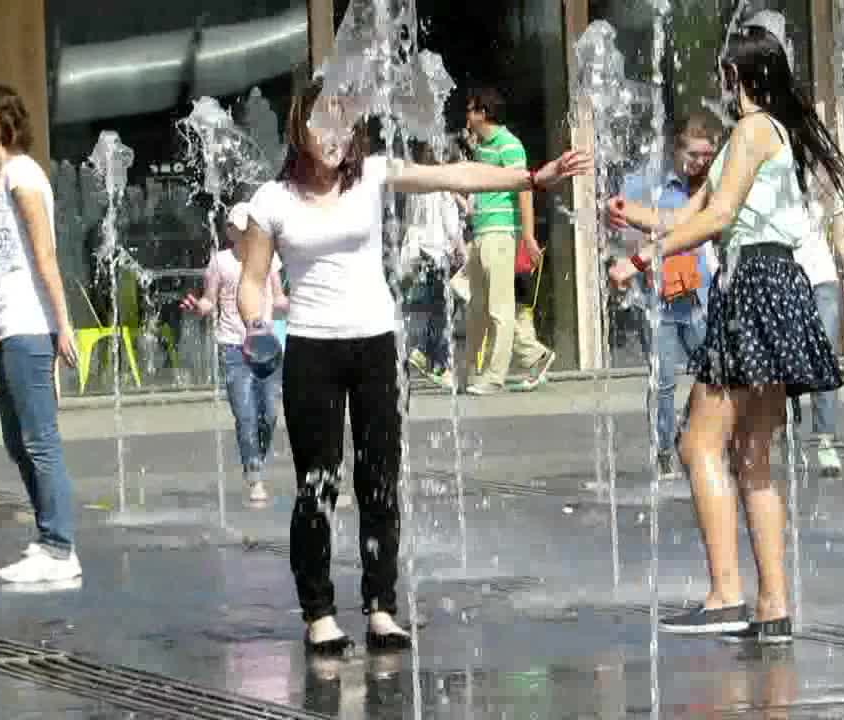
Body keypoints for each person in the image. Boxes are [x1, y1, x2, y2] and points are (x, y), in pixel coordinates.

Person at [237, 78, 588, 655]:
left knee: (379, 481)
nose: (335, 137)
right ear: (300, 129)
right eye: (323, 125)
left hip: (376, 345)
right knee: (317, 485)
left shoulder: (373, 175)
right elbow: (251, 282)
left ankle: (381, 606)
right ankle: (319, 613)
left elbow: (456, 175)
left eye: (344, 124)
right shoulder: (272, 201)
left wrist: (530, 179)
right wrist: (255, 326)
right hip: (311, 349)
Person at [606, 14, 844, 644]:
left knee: (698, 445)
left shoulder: (750, 130)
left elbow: (718, 217)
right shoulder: (768, 132)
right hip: (775, 284)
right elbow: (689, 212)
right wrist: (633, 215)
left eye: (722, 72)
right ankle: (773, 607)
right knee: (751, 456)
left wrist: (642, 260)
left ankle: (724, 596)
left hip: (756, 286)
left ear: (733, 74)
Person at [0, 84, 81, 584]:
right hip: (4, 324)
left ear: (7, 123)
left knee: (40, 440)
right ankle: (47, 536)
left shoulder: (22, 175)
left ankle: (59, 548)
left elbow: (45, 254)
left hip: (29, 324)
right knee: (17, 442)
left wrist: (63, 325)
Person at [621, 112, 719, 478]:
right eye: (694, 155)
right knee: (663, 381)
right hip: (658, 299)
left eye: (707, 156)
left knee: (714, 371)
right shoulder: (643, 184)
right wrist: (637, 247)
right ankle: (663, 450)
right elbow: (622, 229)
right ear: (676, 148)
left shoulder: (706, 186)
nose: (700, 163)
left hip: (698, 293)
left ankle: (687, 433)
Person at [180, 202, 289, 503]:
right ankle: (254, 474)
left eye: (246, 229)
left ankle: (256, 461)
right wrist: (198, 308)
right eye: (236, 229)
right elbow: (209, 300)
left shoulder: (269, 258)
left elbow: (279, 298)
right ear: (230, 231)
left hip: (265, 346)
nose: (241, 234)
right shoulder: (220, 262)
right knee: (245, 415)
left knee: (269, 413)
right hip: (233, 347)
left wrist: (305, 301)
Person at [462, 87, 557, 395]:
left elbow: (525, 189)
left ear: (483, 113)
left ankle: (494, 377)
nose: (466, 115)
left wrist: (527, 236)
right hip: (481, 233)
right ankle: (480, 370)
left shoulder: (510, 145)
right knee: (477, 308)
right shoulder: (482, 147)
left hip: (501, 233)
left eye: (470, 109)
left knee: (499, 309)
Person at [791, 104, 844, 475]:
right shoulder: (778, 176)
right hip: (783, 279)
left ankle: (825, 441)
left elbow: (841, 237)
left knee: (824, 360)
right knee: (784, 361)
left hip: (822, 278)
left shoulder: (830, 184)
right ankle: (787, 431)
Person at [400, 140, 466, 390]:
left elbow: (408, 220)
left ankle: (426, 355)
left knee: (433, 307)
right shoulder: (443, 186)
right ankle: (436, 362)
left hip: (419, 253)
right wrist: (461, 251)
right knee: (444, 308)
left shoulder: (416, 185)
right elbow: (451, 226)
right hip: (437, 254)